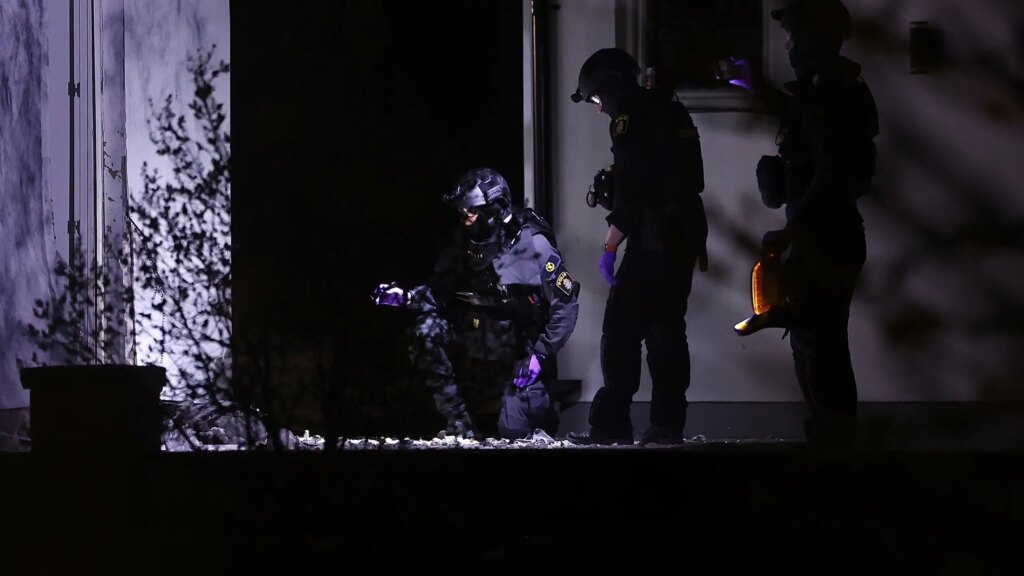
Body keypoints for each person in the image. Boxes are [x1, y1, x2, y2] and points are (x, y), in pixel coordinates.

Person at [746, 0, 879, 448]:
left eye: (793, 36)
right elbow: (800, 124)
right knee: (811, 342)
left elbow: (832, 173)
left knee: (819, 347)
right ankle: (828, 441)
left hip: (826, 240)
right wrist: (751, 83)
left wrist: (792, 230)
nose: (787, 46)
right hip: (819, 239)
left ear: (813, 39)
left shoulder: (835, 95)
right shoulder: (823, 94)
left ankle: (835, 449)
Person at [372, 167, 580, 440]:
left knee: (515, 430)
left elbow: (566, 304)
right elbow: (442, 291)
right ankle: (459, 424)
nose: (464, 217)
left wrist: (541, 355)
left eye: (471, 210)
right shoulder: (465, 240)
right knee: (424, 331)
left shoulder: (532, 243)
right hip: (478, 329)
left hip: (518, 340)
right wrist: (407, 297)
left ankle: (539, 406)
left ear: (495, 208)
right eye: (461, 211)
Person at [567, 48, 708, 445]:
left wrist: (611, 244)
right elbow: (681, 177)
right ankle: (667, 424)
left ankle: (611, 424)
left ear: (612, 87)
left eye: (597, 98)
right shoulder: (668, 108)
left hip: (654, 238)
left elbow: (634, 187)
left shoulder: (629, 120)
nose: (599, 109)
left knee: (621, 329)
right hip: (682, 235)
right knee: (666, 330)